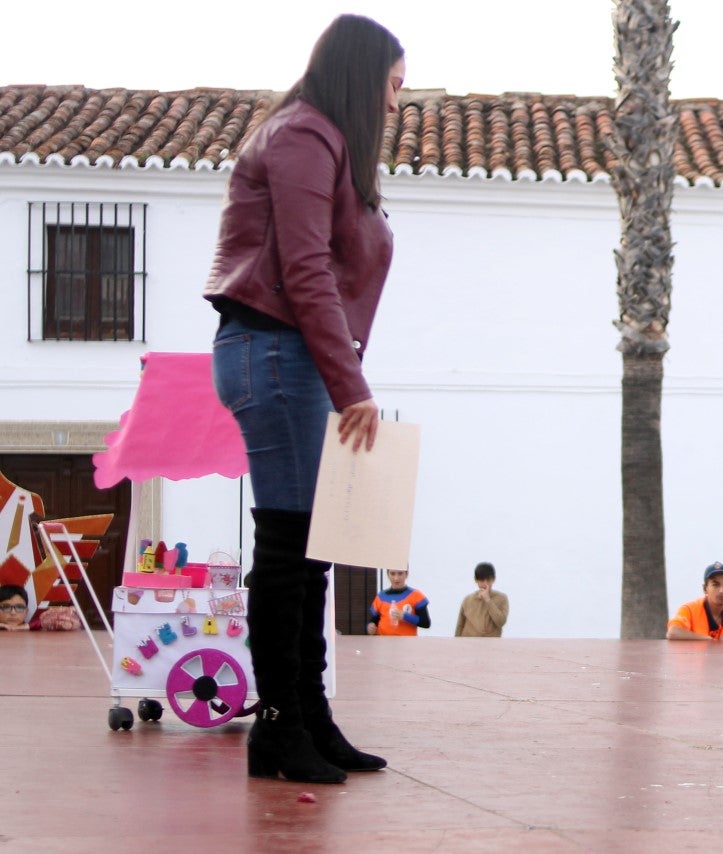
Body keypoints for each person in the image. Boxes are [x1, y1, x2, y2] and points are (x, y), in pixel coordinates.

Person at [204, 14, 404, 783]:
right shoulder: (302, 136)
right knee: (290, 549)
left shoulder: (319, 139)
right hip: (275, 353)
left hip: (292, 358)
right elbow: (306, 268)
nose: (394, 104)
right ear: (361, 76)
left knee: (309, 551)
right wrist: (350, 385)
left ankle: (311, 719)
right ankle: (278, 728)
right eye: (391, 85)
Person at [666, 562, 723, 642]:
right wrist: (709, 640)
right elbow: (673, 632)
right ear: (705, 589)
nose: (722, 590)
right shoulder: (689, 609)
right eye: (716, 585)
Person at [366, 568, 430, 636]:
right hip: (383, 643)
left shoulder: (416, 595)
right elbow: (374, 620)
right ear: (388, 574)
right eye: (392, 574)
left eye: (400, 573)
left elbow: (426, 623)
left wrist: (405, 616)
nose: (396, 578)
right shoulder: (380, 597)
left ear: (406, 574)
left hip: (407, 644)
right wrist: (370, 627)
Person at [455, 562, 510, 637]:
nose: (485, 584)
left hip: (491, 645)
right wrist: (457, 643)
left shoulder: (501, 598)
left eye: (488, 580)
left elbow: (501, 622)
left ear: (493, 579)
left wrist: (488, 600)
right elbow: (460, 625)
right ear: (476, 580)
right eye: (481, 580)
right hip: (468, 644)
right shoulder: (468, 600)